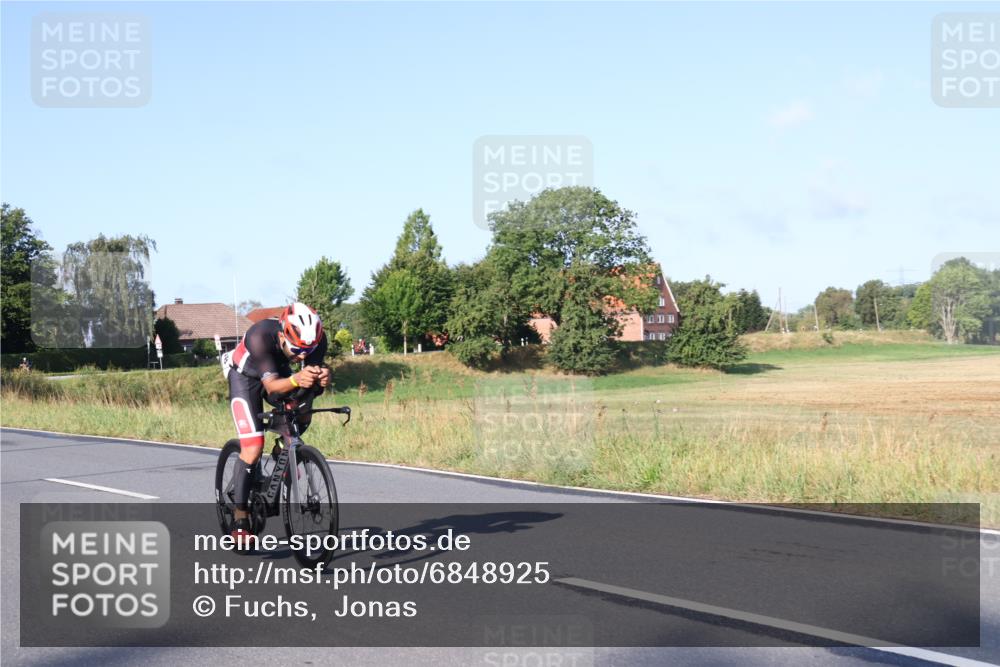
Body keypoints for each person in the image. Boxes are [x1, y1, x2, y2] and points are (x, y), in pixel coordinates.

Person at [221, 302, 331, 539]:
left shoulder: (317, 341)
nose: (302, 355)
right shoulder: (260, 336)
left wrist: (322, 378)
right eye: (297, 349)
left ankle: (283, 450)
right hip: (245, 377)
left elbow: (308, 383)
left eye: (308, 350)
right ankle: (240, 517)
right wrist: (296, 379)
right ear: (282, 336)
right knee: (253, 447)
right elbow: (271, 386)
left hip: (278, 372)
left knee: (302, 411)